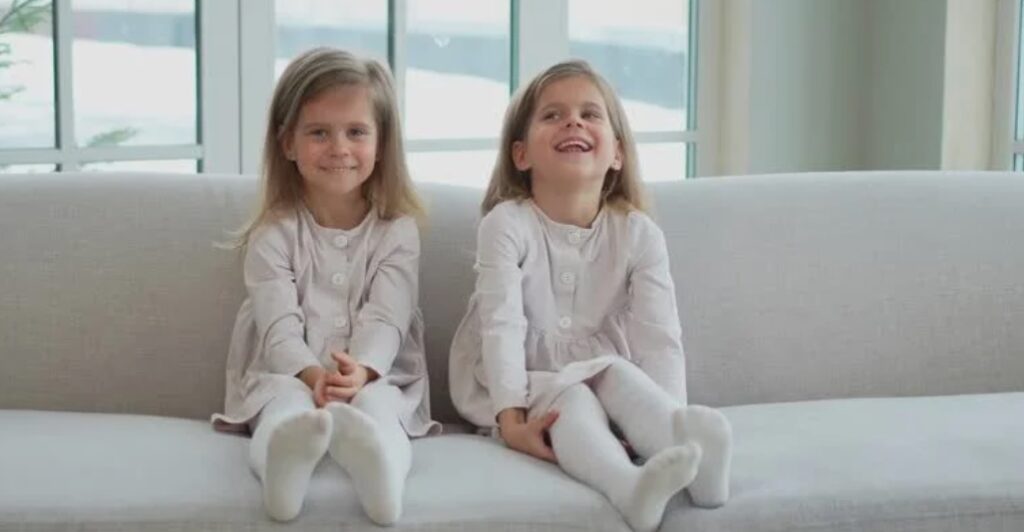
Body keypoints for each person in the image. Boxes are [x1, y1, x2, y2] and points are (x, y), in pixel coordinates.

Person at [448, 59, 732, 532]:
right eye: (552, 115)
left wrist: (672, 412)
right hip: (516, 385)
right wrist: (511, 422)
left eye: (589, 114)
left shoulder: (638, 233)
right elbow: (501, 326)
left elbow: (659, 340)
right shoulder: (506, 224)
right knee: (574, 398)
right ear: (521, 154)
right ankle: (628, 489)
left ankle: (690, 456)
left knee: (614, 374)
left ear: (617, 153)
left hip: (601, 376)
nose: (573, 122)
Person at [211, 47, 439, 525]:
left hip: (377, 374)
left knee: (379, 409)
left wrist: (361, 372)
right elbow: (277, 328)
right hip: (288, 372)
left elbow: (389, 317)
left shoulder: (397, 230)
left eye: (356, 132)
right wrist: (314, 377)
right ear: (288, 143)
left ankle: (383, 478)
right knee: (285, 408)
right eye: (319, 133)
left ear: (381, 142)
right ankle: (281, 472)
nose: (339, 148)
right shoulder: (273, 232)